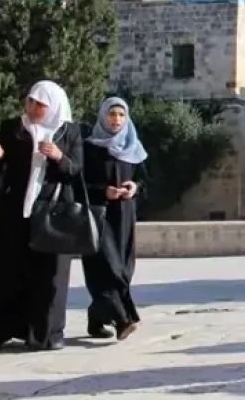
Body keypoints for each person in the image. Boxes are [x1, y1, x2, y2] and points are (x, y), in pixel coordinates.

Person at [0, 81, 82, 350]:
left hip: (52, 212)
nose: (33, 108)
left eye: (40, 104)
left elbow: (76, 170)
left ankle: (46, 334)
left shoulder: (68, 131)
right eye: (30, 102)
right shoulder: (13, 128)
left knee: (50, 275)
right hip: (14, 212)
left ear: (54, 106)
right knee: (7, 270)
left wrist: (59, 157)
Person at [80, 97, 148, 342]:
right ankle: (123, 320)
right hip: (98, 215)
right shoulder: (89, 148)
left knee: (124, 269)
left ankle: (96, 320)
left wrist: (134, 188)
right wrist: (103, 191)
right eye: (112, 114)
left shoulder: (134, 148)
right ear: (102, 116)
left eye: (121, 114)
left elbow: (146, 182)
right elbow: (79, 184)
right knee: (108, 268)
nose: (116, 119)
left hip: (124, 216)